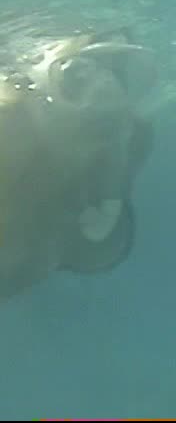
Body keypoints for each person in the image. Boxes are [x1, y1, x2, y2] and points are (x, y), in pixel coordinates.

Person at [0, 28, 157, 300]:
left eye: (117, 74)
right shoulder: (132, 139)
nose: (105, 86)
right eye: (80, 75)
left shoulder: (12, 133)